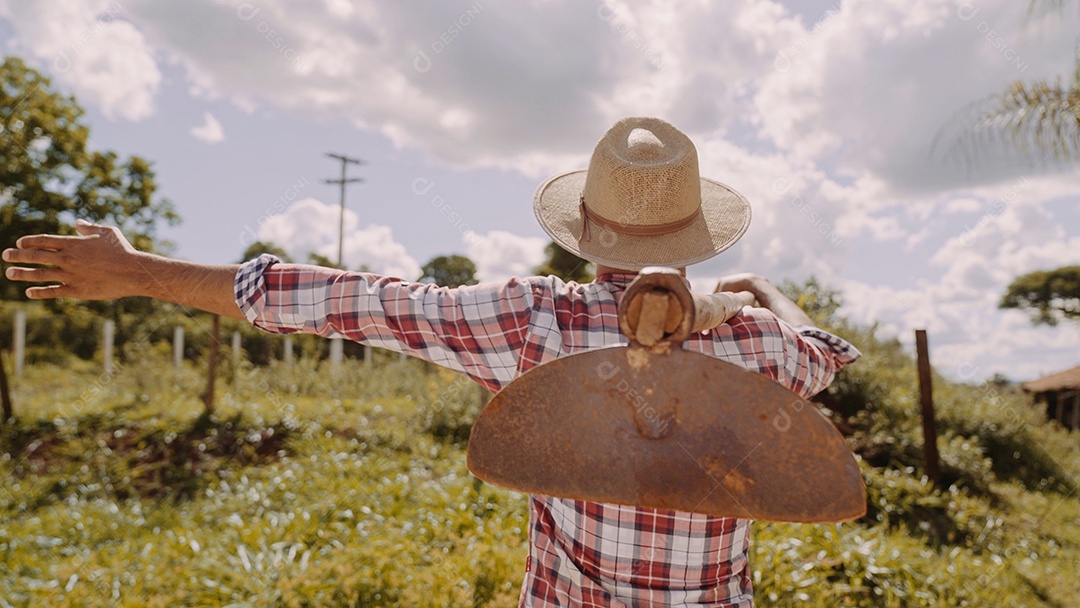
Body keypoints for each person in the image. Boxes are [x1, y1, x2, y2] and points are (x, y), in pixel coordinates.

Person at [4, 116, 859, 607]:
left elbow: (354, 301)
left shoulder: (536, 322)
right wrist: (761, 290)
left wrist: (141, 273)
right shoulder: (761, 346)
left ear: (588, 234)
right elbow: (827, 353)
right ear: (697, 235)